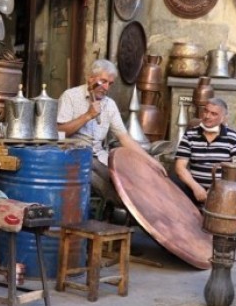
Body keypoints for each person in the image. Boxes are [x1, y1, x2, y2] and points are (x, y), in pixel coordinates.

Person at [57, 59, 165, 212]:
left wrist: (150, 161)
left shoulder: (109, 105)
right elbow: (60, 131)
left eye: (110, 83)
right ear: (91, 79)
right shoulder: (71, 96)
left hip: (98, 157)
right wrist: (87, 116)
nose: (106, 87)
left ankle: (138, 208)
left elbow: (124, 138)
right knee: (100, 179)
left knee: (121, 177)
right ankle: (128, 208)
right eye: (103, 81)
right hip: (73, 156)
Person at [174, 97, 236, 204]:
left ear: (223, 118)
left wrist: (219, 190)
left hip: (223, 193)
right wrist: (196, 187)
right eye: (206, 111)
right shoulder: (190, 135)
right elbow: (180, 167)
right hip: (193, 190)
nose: (207, 116)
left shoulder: (233, 137)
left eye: (214, 114)